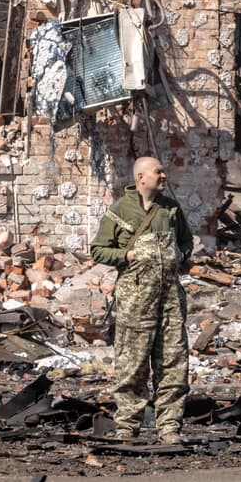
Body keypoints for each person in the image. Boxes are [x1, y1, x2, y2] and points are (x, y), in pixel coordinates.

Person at [90, 156, 193, 444]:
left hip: (170, 299)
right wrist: (128, 256)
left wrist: (181, 255)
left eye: (162, 170)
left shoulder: (170, 209)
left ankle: (170, 426)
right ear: (140, 178)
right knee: (132, 365)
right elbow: (98, 249)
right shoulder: (120, 210)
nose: (163, 175)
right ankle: (127, 427)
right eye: (158, 171)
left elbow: (186, 240)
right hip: (135, 299)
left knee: (173, 364)